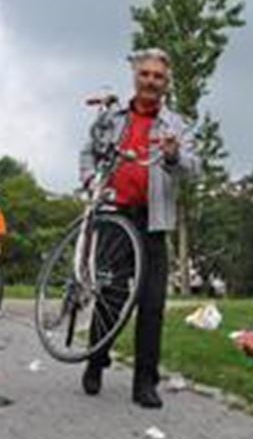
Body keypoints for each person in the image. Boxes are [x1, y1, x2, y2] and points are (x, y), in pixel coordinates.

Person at [78, 47, 199, 408]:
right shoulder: (113, 118)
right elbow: (89, 153)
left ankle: (145, 383)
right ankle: (95, 361)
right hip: (115, 215)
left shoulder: (177, 125)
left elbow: (194, 169)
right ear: (135, 77)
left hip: (153, 221)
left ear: (167, 83)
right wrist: (88, 180)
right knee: (110, 296)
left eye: (158, 76)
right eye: (145, 74)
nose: (150, 81)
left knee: (152, 303)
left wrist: (176, 155)